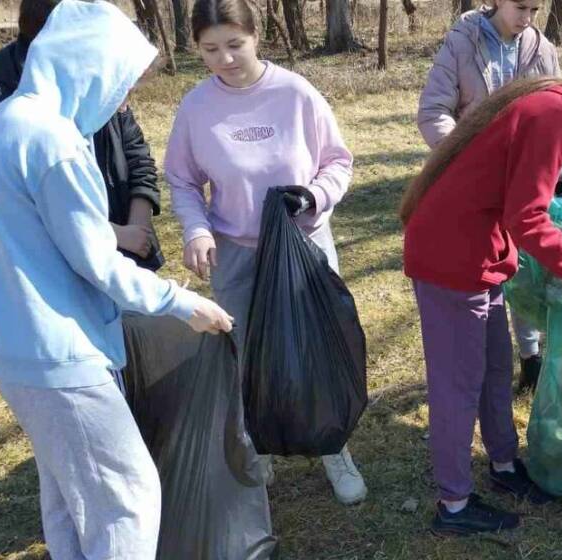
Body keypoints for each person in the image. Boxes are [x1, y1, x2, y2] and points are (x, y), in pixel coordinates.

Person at [0, 1, 234, 557]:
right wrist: (183, 303)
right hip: (58, 351)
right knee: (126, 498)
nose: (123, 98)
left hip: (13, 346)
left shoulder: (3, 121)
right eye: (120, 82)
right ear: (88, 67)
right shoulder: (52, 142)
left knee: (68, 496)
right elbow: (98, 260)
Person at [401, 58, 562, 535]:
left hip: (478, 254)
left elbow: (515, 190)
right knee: (458, 385)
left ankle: (504, 463)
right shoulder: (554, 114)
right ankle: (453, 504)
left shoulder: (554, 103)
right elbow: (527, 220)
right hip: (452, 259)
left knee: (495, 367)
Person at [164, 0, 367, 506]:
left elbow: (338, 162)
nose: (225, 59)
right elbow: (184, 181)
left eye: (235, 44)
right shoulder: (196, 108)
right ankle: (258, 444)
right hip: (235, 253)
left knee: (313, 346)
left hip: (304, 248)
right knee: (244, 351)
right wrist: (196, 231)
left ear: (257, 37)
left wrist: (314, 196)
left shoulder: (295, 94)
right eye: (211, 50)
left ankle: (332, 446)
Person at [417, 0, 562, 392]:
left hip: (526, 178)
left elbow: (558, 118)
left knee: (528, 263)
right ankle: (485, 372)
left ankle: (532, 355)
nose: (527, 18)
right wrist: (470, 160)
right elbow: (433, 111)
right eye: (520, 6)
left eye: (535, 10)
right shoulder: (462, 41)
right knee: (486, 276)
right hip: (475, 187)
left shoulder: (543, 50)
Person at [0, 0, 167, 271]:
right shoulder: (7, 99)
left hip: (126, 254)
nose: (123, 102)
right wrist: (115, 235)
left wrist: (137, 227)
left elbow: (137, 156)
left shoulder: (99, 77)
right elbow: (24, 203)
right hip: (57, 269)